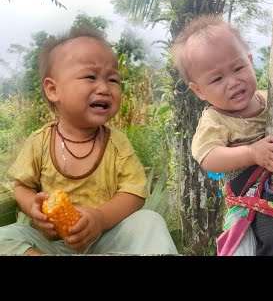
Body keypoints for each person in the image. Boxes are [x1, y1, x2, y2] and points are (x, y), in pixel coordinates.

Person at [0, 27, 178, 255]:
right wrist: (33, 206)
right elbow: (22, 186)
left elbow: (134, 194)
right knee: (5, 237)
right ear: (53, 89)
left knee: (149, 221)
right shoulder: (40, 142)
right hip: (52, 246)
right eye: (90, 77)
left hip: (107, 241)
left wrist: (100, 219)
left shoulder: (116, 143)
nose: (104, 88)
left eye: (113, 79)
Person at [172, 14, 273, 256]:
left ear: (251, 61)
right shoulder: (215, 120)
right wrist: (252, 153)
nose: (233, 82)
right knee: (240, 249)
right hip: (245, 205)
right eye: (217, 78)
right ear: (199, 90)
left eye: (238, 68)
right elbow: (208, 156)